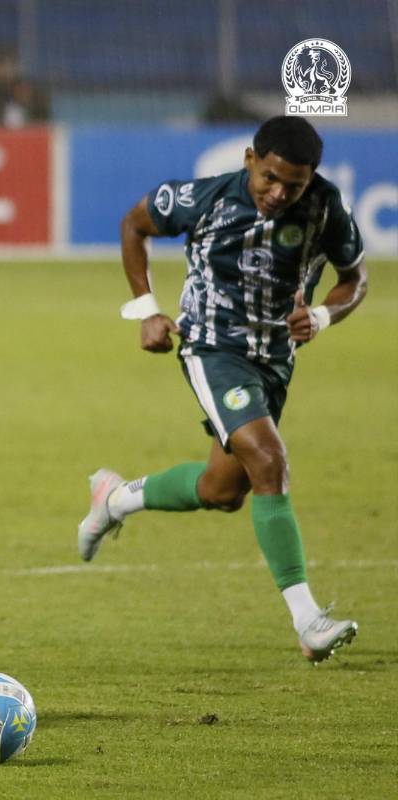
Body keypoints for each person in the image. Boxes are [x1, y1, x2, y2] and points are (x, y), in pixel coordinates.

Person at [78, 116, 367, 663]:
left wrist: (325, 316)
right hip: (213, 349)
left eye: (294, 186)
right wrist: (146, 311)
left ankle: (113, 499)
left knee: (223, 490)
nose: (279, 193)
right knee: (269, 459)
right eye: (271, 179)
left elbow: (356, 277)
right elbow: (134, 225)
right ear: (250, 159)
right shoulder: (204, 198)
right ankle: (307, 620)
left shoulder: (327, 208)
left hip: (275, 360)